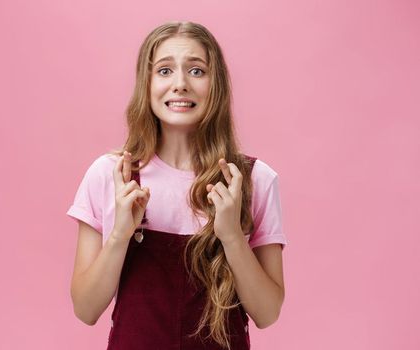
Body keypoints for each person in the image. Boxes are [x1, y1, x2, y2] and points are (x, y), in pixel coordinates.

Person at [66, 21, 287, 350]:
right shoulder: (111, 175)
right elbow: (85, 309)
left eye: (197, 71)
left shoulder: (253, 180)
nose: (180, 84)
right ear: (147, 83)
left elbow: (267, 313)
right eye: (165, 71)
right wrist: (119, 236)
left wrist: (230, 236)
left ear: (217, 85)